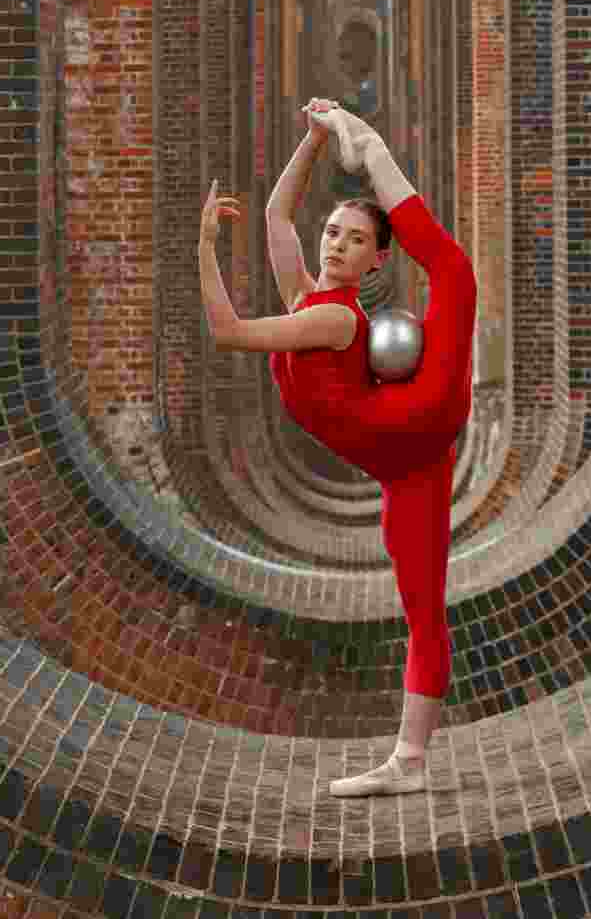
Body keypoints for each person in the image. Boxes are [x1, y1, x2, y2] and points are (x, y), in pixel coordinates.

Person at [198, 99, 477, 795]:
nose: (336, 244)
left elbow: (229, 331)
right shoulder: (305, 298)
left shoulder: (328, 318)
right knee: (424, 606)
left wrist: (202, 247)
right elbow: (274, 217)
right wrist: (316, 138)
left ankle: (378, 152)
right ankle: (410, 762)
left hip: (418, 415)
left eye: (356, 240)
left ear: (377, 259)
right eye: (333, 232)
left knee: (453, 272)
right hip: (405, 463)